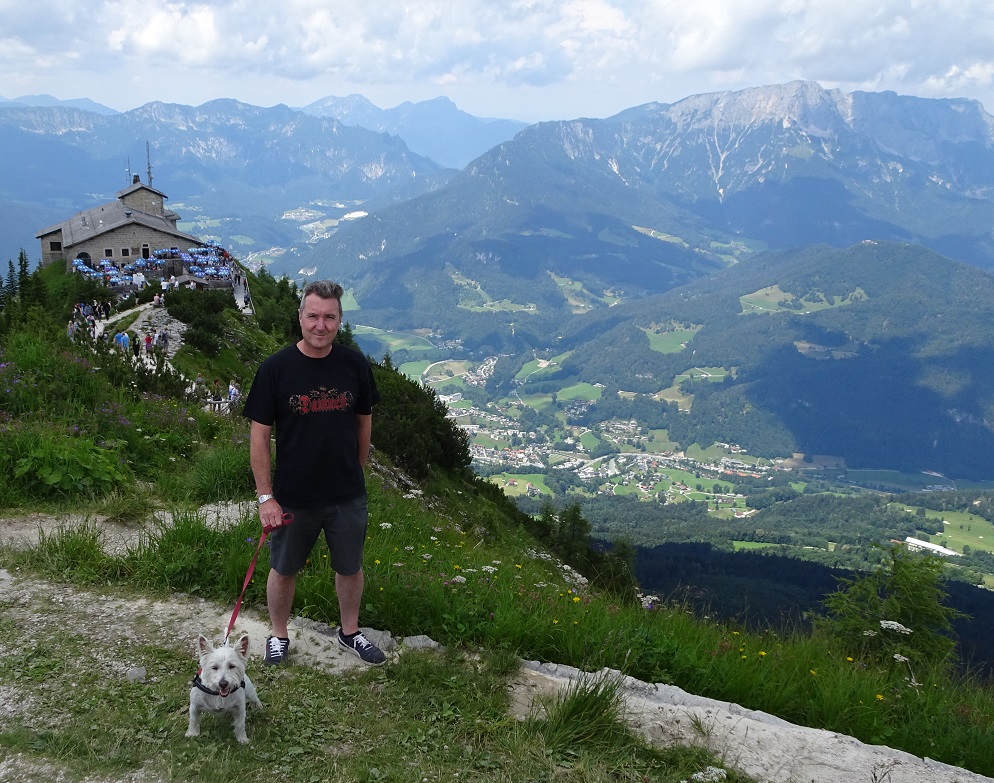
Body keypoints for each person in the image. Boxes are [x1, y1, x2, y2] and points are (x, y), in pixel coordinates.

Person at [242, 280, 384, 666]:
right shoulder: (275, 369)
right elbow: (259, 437)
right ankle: (278, 634)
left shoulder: (354, 364)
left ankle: (350, 632)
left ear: (339, 320)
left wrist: (359, 467)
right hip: (292, 496)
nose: (321, 325)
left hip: (346, 494)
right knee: (283, 568)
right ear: (300, 318)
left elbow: (363, 420)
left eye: (330, 317)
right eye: (313, 316)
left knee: (350, 567)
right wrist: (265, 496)